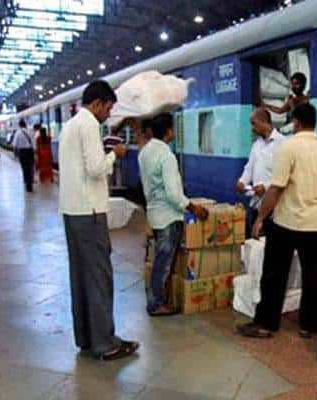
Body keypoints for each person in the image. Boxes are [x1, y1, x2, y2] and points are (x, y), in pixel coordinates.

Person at [237, 103, 317, 339]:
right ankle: (309, 325)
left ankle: (266, 324)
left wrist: (260, 218)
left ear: (297, 123)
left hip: (286, 223)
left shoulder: (288, 148)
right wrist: (315, 210)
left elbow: (276, 189)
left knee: (274, 274)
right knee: (312, 276)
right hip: (314, 225)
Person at [58, 80, 138, 361]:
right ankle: (106, 343)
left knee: (80, 276)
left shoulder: (70, 125)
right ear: (97, 103)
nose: (109, 113)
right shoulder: (89, 124)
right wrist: (114, 156)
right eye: (108, 107)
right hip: (89, 212)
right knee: (100, 277)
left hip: (71, 211)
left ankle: (87, 338)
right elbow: (95, 169)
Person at [139, 113, 209, 316]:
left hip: (154, 213)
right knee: (163, 262)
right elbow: (172, 193)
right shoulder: (166, 157)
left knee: (161, 259)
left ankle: (158, 299)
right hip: (169, 216)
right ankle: (155, 304)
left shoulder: (145, 152)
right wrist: (193, 207)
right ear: (169, 131)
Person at [236, 108, 286, 236]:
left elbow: (284, 175)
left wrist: (266, 186)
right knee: (255, 241)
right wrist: (242, 181)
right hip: (256, 204)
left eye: (254, 123)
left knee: (270, 243)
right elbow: (249, 167)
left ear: (264, 122)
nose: (252, 128)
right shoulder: (256, 145)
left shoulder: (283, 144)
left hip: (274, 208)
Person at [12, 120, 36, 192]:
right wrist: (34, 152)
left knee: (24, 168)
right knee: (31, 167)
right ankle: (30, 183)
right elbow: (34, 143)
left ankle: (27, 183)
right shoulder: (30, 132)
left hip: (22, 152)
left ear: (19, 125)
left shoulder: (18, 133)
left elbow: (14, 144)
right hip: (30, 151)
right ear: (25, 125)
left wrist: (15, 154)